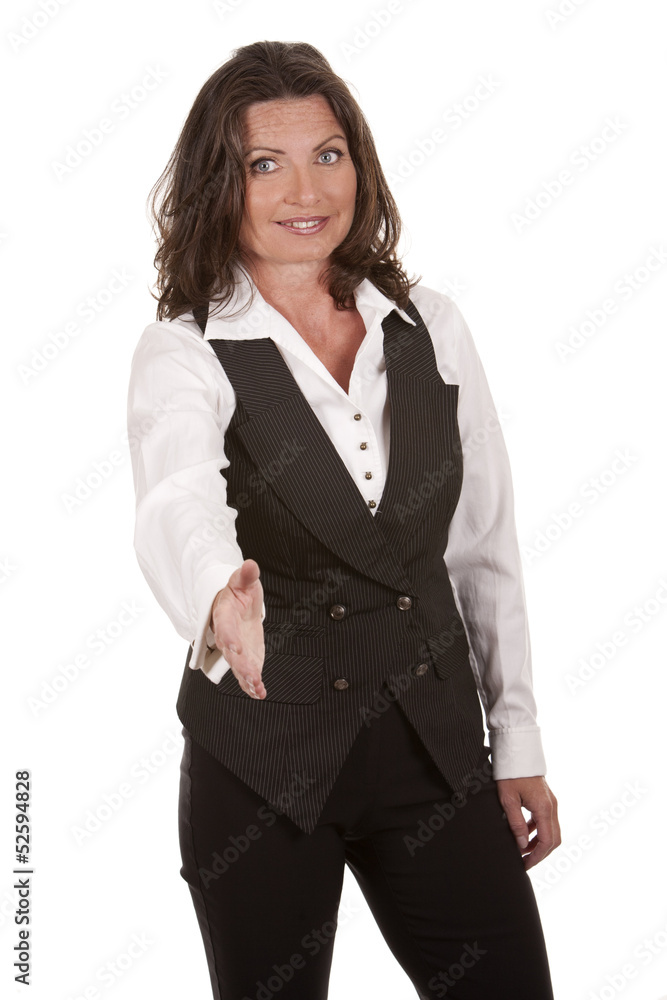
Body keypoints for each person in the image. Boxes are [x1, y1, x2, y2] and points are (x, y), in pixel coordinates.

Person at [127, 39, 561, 1000]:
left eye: (328, 154)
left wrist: (517, 740)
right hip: (266, 757)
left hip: (432, 744)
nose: (305, 190)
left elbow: (483, 551)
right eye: (264, 164)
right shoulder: (186, 351)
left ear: (358, 164)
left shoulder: (430, 326)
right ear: (219, 185)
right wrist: (218, 595)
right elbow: (176, 497)